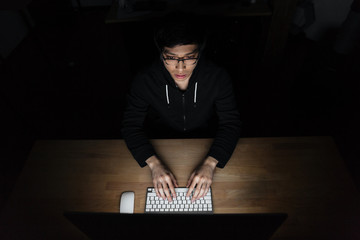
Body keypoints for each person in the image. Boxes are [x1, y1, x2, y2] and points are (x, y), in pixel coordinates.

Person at [121, 14, 242, 203]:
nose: (180, 67)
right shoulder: (145, 80)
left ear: (199, 53)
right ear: (161, 54)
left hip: (206, 142)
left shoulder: (217, 77)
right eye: (171, 58)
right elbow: (130, 125)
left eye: (189, 58)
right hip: (160, 143)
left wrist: (211, 163)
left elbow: (231, 123)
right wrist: (153, 163)